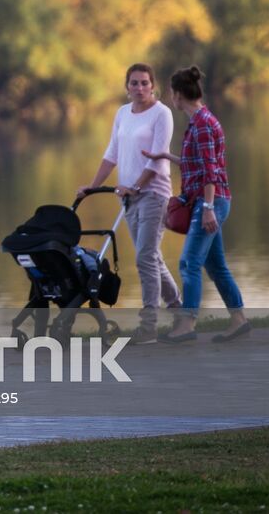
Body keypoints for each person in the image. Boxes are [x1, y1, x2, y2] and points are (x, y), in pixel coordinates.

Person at [143, 66, 249, 343]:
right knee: (216, 267)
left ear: (178, 95)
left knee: (189, 263)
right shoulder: (200, 121)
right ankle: (239, 320)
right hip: (209, 200)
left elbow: (211, 171)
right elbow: (198, 165)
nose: (171, 98)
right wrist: (165, 155)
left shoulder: (202, 124)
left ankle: (187, 325)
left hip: (209, 201)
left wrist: (208, 208)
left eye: (171, 93)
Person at [79, 62, 181, 342]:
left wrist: (136, 186)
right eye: (134, 83)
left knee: (145, 257)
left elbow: (157, 155)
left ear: (153, 85)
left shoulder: (162, 114)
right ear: (127, 87)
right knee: (151, 257)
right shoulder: (123, 113)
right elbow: (112, 153)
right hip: (128, 197)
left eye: (144, 83)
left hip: (153, 194)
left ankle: (148, 327)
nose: (139, 88)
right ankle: (179, 310)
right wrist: (93, 186)